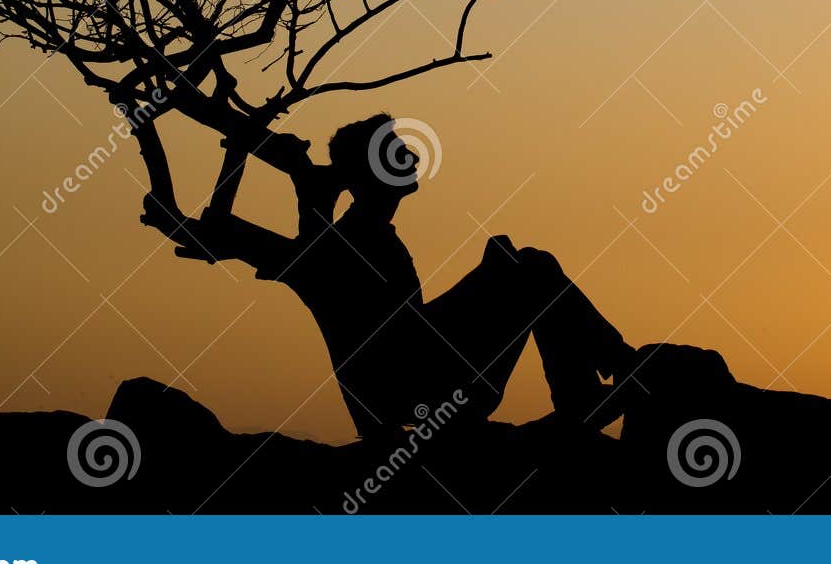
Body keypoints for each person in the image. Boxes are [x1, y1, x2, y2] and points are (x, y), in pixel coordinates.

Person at [146, 115, 635, 439]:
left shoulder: (361, 237)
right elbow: (224, 229)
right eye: (397, 150)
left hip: (425, 379)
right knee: (528, 266)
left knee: (513, 257)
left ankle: (589, 387)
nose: (413, 157)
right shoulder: (342, 244)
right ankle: (595, 383)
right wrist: (244, 152)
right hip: (417, 393)